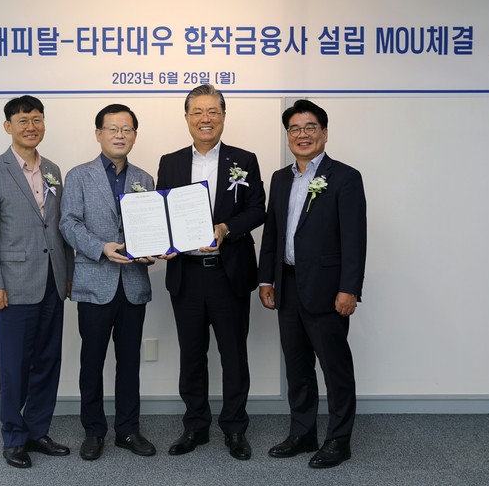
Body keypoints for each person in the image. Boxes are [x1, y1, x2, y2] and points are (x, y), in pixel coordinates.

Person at [157, 84, 266, 460]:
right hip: (186, 275)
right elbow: (161, 212)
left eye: (213, 112)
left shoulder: (244, 159)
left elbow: (257, 209)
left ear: (223, 116)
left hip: (228, 273)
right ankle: (195, 426)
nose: (205, 119)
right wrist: (163, 241)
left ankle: (235, 428)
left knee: (233, 354)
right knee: (191, 354)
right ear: (187, 117)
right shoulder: (170, 162)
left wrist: (226, 228)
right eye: (198, 112)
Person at [257, 99, 367, 468]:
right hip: (287, 286)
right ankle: (303, 433)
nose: (302, 135)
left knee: (335, 369)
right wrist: (266, 279)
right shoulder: (280, 178)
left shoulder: (345, 177)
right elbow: (272, 234)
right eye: (295, 129)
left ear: (324, 132)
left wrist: (350, 288)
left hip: (328, 290)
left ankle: (338, 441)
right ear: (288, 135)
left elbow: (355, 238)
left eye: (310, 127)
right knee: (297, 367)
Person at [0, 95, 74, 468]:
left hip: (52, 281)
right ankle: (14, 437)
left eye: (36, 119)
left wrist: (68, 273)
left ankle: (37, 430)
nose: (31, 127)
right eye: (22, 121)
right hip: (14, 285)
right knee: (14, 366)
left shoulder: (53, 169)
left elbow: (60, 226)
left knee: (48, 361)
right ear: (8, 127)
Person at [59, 103, 157, 461]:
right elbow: (68, 223)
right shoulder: (78, 176)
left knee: (129, 362)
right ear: (98, 134)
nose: (120, 135)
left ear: (135, 135)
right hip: (94, 284)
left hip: (133, 284)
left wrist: (152, 250)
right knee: (92, 362)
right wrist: (101, 247)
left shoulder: (145, 179)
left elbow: (151, 227)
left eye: (127, 129)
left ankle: (128, 430)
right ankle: (94, 431)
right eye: (113, 129)